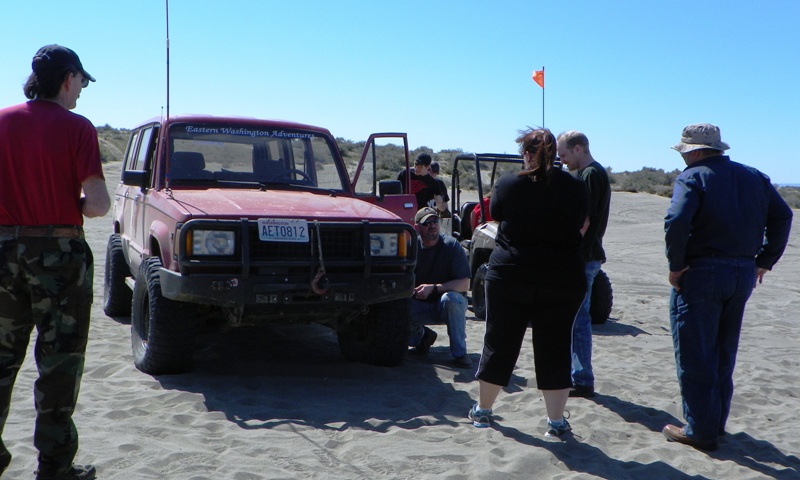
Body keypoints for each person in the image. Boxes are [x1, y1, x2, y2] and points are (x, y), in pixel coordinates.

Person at [0, 45, 110, 480]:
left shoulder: (3, 122)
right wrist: (75, 203)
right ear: (68, 79)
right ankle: (55, 468)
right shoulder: (77, 128)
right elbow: (98, 205)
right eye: (82, 82)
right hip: (59, 257)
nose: (82, 91)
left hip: (3, 253)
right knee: (59, 363)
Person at [663, 123, 792, 452]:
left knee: (695, 352)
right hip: (742, 271)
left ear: (692, 151)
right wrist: (765, 258)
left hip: (703, 272)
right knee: (723, 350)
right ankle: (713, 422)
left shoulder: (693, 176)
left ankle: (700, 429)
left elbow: (676, 221)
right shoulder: (754, 176)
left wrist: (676, 265)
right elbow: (783, 216)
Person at [469, 128, 588, 437]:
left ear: (526, 153)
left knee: (499, 343)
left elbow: (494, 214)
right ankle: (556, 423)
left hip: (511, 273)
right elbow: (581, 224)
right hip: (561, 278)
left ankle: (483, 412)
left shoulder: (509, 183)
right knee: (555, 348)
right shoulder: (576, 188)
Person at [556, 131, 611, 398]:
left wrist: (564, 247)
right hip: (587, 255)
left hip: (583, 256)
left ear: (578, 149)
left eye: (564, 155)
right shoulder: (593, 173)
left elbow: (584, 220)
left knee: (578, 318)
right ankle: (578, 376)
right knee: (577, 317)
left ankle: (582, 379)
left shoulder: (589, 175)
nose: (563, 161)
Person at [408, 207, 472, 368]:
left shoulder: (451, 246)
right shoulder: (410, 247)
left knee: (452, 299)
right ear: (417, 227)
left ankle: (460, 354)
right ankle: (422, 338)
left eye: (435, 221)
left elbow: (465, 283)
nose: (432, 226)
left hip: (446, 305)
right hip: (418, 304)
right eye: (426, 223)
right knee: (394, 308)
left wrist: (434, 288)